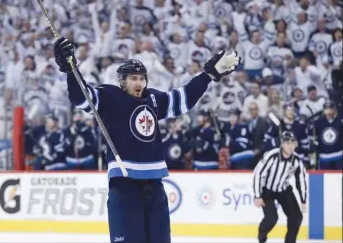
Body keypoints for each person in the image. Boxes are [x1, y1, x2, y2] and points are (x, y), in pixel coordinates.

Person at [53, 37, 240, 243]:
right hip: (125, 186)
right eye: (133, 78)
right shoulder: (110, 97)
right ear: (122, 81)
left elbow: (184, 98)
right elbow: (81, 97)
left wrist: (208, 75)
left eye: (142, 78)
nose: (139, 83)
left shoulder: (153, 99)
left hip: (155, 186)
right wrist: (71, 70)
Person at [253, 131, 307, 243]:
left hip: (284, 189)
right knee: (272, 218)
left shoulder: (296, 160)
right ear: (282, 144)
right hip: (267, 190)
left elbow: (300, 179)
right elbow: (257, 173)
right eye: (288, 143)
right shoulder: (271, 156)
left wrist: (303, 200)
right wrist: (258, 196)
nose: (291, 146)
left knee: (296, 217)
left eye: (293, 143)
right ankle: (262, 235)